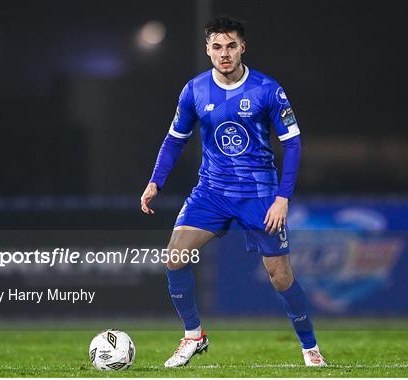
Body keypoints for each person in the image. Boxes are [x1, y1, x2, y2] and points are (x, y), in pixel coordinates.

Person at [140, 15, 326, 368]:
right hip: (211, 190)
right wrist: (155, 181)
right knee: (174, 256)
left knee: (280, 276)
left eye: (230, 46)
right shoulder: (194, 90)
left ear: (242, 47)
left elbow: (294, 144)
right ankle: (194, 336)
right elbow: (174, 140)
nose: (224, 53)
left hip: (259, 194)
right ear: (208, 50)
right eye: (217, 47)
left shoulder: (267, 89)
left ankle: (310, 347)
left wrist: (282, 198)